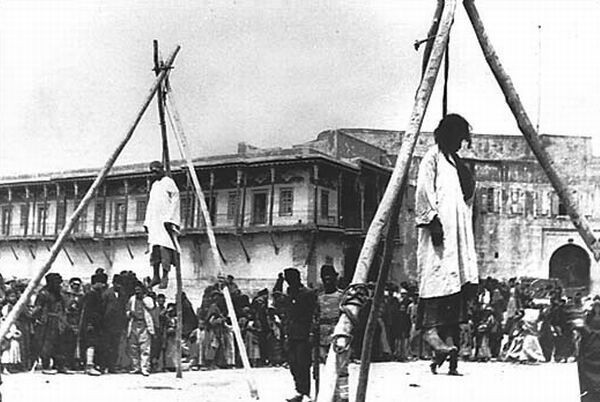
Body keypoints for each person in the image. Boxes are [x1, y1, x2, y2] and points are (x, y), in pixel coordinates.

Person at [415, 114, 479, 376]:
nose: (459, 144)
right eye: (456, 138)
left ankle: (448, 352)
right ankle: (433, 337)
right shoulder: (432, 157)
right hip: (439, 230)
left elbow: (468, 193)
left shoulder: (454, 161)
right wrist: (432, 220)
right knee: (435, 280)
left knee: (453, 287)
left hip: (456, 233)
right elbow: (423, 190)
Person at [274, 268, 317, 402]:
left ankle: (306, 393)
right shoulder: (288, 294)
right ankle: (299, 391)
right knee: (293, 364)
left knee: (303, 364)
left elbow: (314, 314)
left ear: (297, 278)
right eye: (287, 280)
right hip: (290, 333)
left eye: (290, 279)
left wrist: (311, 332)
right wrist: (279, 281)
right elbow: (276, 296)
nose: (289, 282)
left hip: (304, 334)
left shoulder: (308, 293)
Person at [143, 160, 180, 289]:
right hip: (155, 222)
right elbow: (150, 205)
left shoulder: (168, 182)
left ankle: (165, 276)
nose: (154, 174)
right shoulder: (154, 185)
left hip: (165, 221)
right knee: (154, 249)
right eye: (152, 172)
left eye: (156, 171)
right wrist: (147, 221)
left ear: (161, 169)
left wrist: (171, 219)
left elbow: (176, 199)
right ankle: (155, 276)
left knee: (165, 248)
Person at [31, 273, 68, 374]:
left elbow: (63, 308)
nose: (59, 285)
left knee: (60, 344)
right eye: (56, 283)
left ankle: (59, 365)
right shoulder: (43, 294)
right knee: (46, 344)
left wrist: (63, 320)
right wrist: (35, 318)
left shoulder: (59, 294)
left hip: (58, 321)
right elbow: (38, 307)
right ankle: (46, 365)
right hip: (47, 322)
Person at [80, 271, 107, 376]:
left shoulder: (97, 294)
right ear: (96, 283)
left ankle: (93, 365)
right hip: (90, 323)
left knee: (95, 344)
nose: (103, 285)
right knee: (90, 344)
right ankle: (89, 366)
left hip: (97, 323)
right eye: (101, 283)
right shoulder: (91, 295)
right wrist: (90, 324)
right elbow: (88, 311)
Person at [126, 282, 156, 376]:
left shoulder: (148, 299)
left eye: (139, 290)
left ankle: (145, 368)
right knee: (133, 347)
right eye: (136, 290)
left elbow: (151, 307)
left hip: (144, 325)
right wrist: (129, 313)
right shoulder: (132, 299)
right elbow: (127, 310)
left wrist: (143, 299)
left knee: (145, 348)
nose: (137, 292)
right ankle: (135, 367)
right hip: (134, 324)